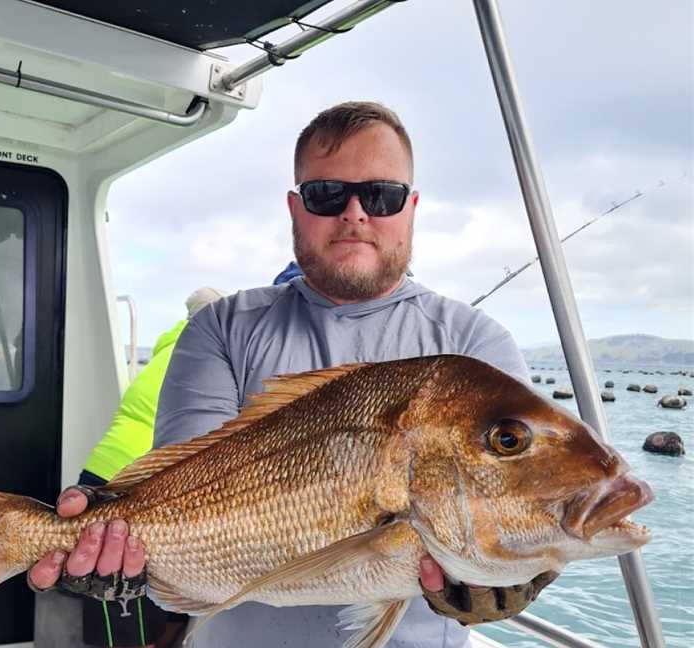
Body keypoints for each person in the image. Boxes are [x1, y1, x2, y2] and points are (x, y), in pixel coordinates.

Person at [29, 101, 556, 646]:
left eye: (382, 195)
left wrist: (515, 575)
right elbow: (180, 488)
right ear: (295, 207)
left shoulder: (474, 344)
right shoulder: (223, 327)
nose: (355, 213)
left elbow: (524, 490)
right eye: (327, 194)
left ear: (412, 206)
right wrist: (117, 546)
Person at [77, 287, 228, 648]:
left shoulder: (164, 351)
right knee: (129, 602)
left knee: (132, 598)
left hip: (105, 472)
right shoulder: (204, 357)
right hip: (137, 482)